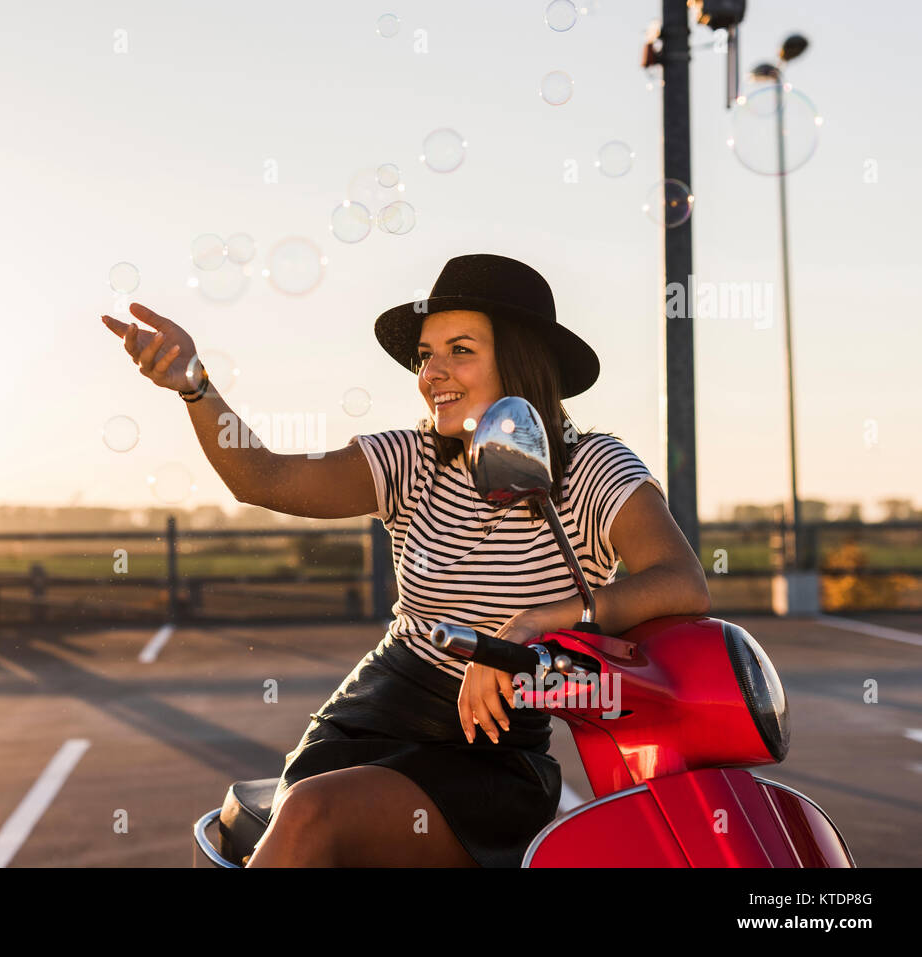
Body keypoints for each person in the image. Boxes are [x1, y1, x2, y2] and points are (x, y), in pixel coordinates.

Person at [101, 253, 711, 867]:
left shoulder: (591, 467)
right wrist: (196, 385)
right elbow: (263, 477)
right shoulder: (411, 458)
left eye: (460, 350)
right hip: (374, 716)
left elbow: (681, 581)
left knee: (317, 811)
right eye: (426, 355)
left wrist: (532, 625)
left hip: (494, 752)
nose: (432, 373)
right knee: (315, 807)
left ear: (522, 359)